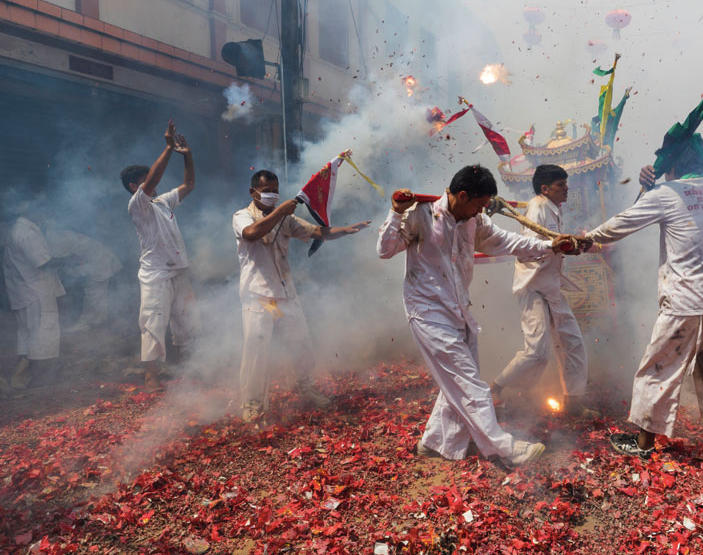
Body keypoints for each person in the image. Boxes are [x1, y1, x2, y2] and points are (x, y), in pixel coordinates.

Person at [583, 137, 703, 479]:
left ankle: (644, 443)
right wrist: (650, 187)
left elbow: (622, 224)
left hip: (684, 306)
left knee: (657, 372)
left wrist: (584, 240)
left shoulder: (668, 194)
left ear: (674, 163)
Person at [377, 164, 579, 467]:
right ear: (462, 195)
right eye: (480, 204)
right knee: (469, 381)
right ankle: (502, 448)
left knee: (457, 379)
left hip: (459, 309)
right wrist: (395, 212)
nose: (483, 211)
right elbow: (385, 249)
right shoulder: (421, 213)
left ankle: (434, 443)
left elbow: (511, 242)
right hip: (428, 311)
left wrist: (551, 245)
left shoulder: (474, 221)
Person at [233, 169, 370, 422]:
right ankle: (252, 404)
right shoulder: (242, 216)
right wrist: (280, 211)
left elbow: (317, 232)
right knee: (257, 351)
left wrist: (346, 230)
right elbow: (252, 234)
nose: (272, 195)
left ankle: (304, 388)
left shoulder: (286, 220)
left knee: (301, 343)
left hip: (285, 293)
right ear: (253, 192)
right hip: (259, 296)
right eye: (266, 191)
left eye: (275, 190)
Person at [490, 164, 595, 416]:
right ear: (545, 188)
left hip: (551, 287)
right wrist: (557, 246)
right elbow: (531, 246)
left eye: (565, 183)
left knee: (573, 344)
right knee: (537, 352)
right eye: (561, 185)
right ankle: (495, 388)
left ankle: (574, 402)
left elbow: (553, 244)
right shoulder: (537, 205)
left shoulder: (554, 208)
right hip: (533, 287)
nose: (566, 188)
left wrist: (572, 246)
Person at [120, 120, 196, 390]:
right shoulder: (137, 205)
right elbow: (153, 180)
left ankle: (186, 367)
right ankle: (151, 375)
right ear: (134, 187)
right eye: (144, 182)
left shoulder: (163, 201)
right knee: (153, 323)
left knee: (185, 319)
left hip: (178, 270)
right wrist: (167, 148)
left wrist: (186, 155)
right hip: (155, 274)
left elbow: (189, 183)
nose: (150, 185)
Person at [2, 205, 66, 388]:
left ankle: (23, 377)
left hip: (24, 292)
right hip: (35, 291)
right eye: (44, 210)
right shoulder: (27, 233)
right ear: (31, 211)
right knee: (43, 334)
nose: (46, 215)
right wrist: (68, 260)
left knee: (27, 335)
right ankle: (42, 379)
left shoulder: (18, 229)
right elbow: (43, 262)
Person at [46, 229, 122, 332]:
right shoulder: (57, 235)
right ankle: (97, 320)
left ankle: (90, 322)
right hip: (94, 261)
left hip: (98, 263)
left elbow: (57, 262)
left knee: (94, 295)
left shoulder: (55, 239)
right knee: (96, 295)